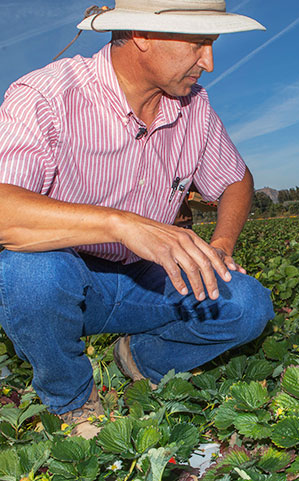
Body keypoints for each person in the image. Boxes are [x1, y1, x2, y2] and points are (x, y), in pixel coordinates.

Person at [0, 0, 274, 438]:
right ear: (142, 35)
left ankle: (140, 358)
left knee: (247, 305)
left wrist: (221, 245)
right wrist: (120, 223)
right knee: (29, 274)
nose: (209, 61)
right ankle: (70, 399)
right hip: (67, 278)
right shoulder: (47, 95)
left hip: (146, 277)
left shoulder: (194, 108)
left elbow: (236, 181)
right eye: (199, 44)